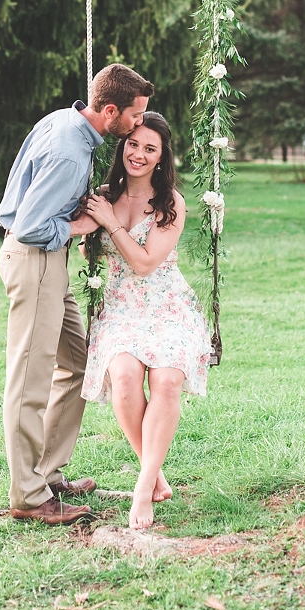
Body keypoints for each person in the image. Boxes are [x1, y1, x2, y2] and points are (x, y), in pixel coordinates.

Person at [0, 64, 155, 524]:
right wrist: (84, 224)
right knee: (29, 381)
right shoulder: (70, 150)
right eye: (135, 116)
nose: (138, 124)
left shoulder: (67, 123)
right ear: (110, 111)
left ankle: (46, 474)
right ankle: (28, 496)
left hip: (50, 266)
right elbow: (28, 226)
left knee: (81, 365)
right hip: (34, 262)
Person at [81, 112, 210, 529]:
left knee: (168, 380)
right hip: (120, 309)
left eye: (149, 149)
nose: (138, 154)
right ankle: (155, 476)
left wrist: (110, 223)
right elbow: (88, 252)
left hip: (166, 305)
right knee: (123, 378)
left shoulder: (170, 202)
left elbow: (144, 262)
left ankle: (143, 488)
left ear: (160, 158)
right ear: (122, 146)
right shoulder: (102, 195)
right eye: (133, 144)